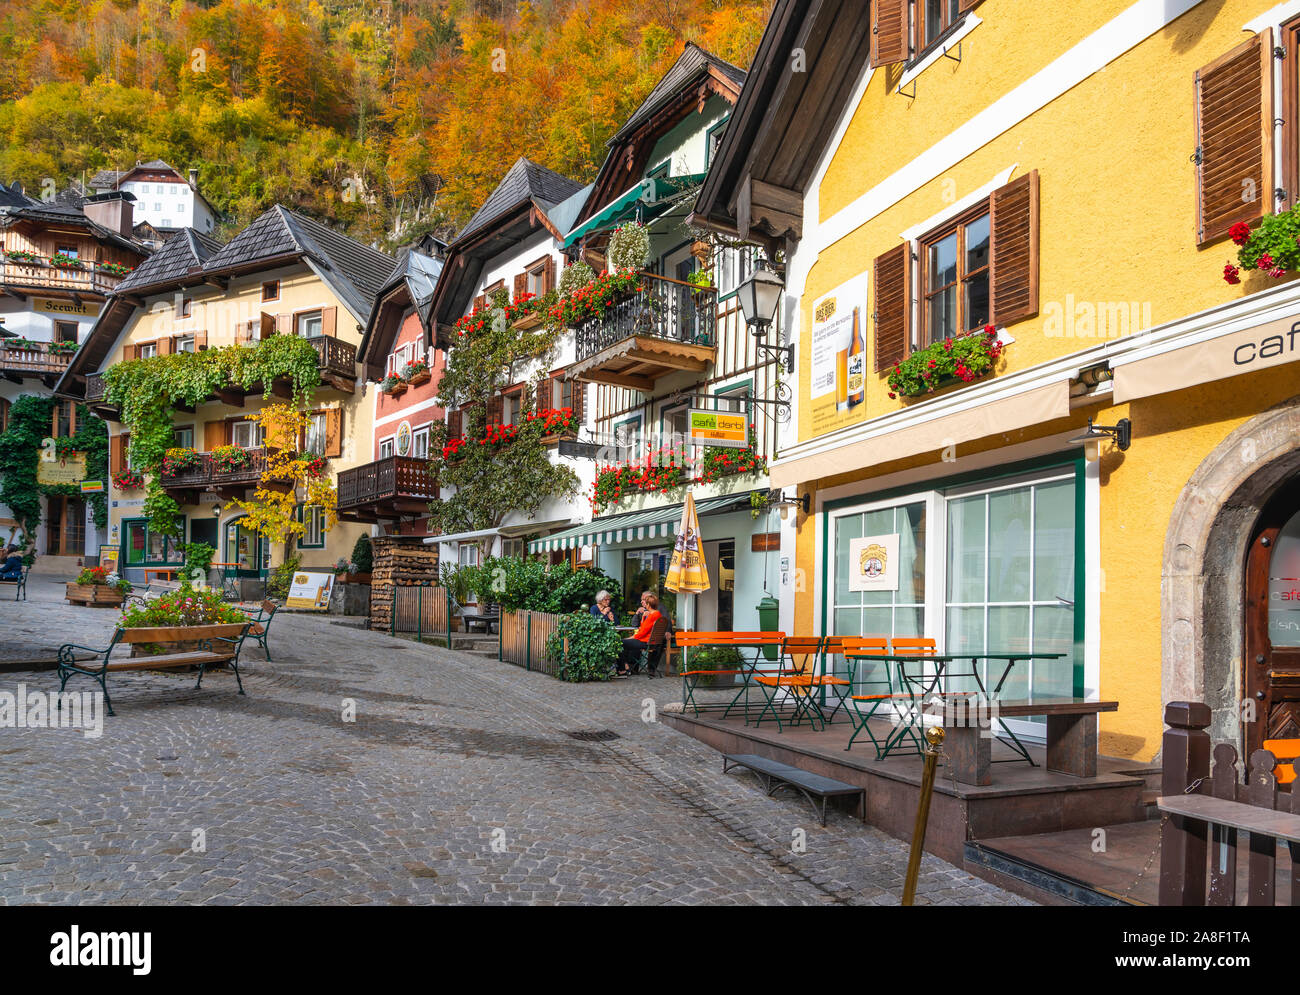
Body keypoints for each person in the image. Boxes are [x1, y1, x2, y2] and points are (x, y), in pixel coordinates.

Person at [619, 593, 663, 678]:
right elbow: (644, 628)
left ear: (648, 605)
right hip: (653, 642)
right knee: (624, 643)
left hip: (645, 642)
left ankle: (622, 669)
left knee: (620, 643)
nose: (644, 605)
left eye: (645, 603)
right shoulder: (658, 614)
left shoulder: (651, 616)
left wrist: (629, 638)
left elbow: (641, 633)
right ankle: (626, 666)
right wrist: (643, 617)